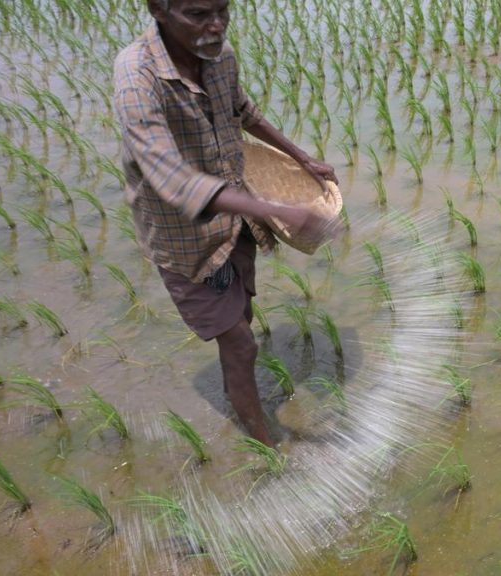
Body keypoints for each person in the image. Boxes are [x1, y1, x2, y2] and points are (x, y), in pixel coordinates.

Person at [113, 0, 337, 447]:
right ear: (159, 9)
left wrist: (303, 158)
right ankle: (265, 445)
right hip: (185, 239)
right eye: (198, 15)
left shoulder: (219, 55)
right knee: (240, 343)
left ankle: (241, 394)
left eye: (222, 11)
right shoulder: (137, 77)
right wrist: (279, 211)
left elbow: (243, 111)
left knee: (240, 319)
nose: (215, 26)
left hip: (234, 220)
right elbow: (173, 179)